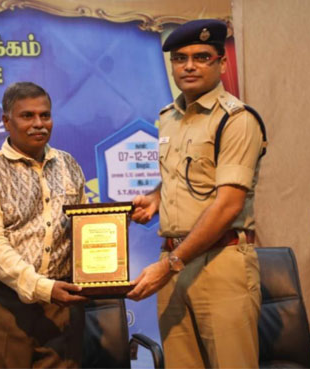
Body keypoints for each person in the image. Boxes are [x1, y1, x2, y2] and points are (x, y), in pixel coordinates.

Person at [127, 19, 266, 368]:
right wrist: (157, 196)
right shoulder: (170, 117)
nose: (188, 66)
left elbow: (228, 204)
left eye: (201, 57)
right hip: (174, 261)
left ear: (222, 63)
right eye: (180, 58)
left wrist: (172, 264)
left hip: (221, 263)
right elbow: (188, 172)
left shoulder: (236, 120)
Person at [0, 81, 88, 368]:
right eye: (27, 116)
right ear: (6, 121)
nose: (39, 124)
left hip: (62, 304)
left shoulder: (69, 164)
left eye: (45, 115)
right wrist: (41, 287)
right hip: (3, 305)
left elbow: (84, 229)